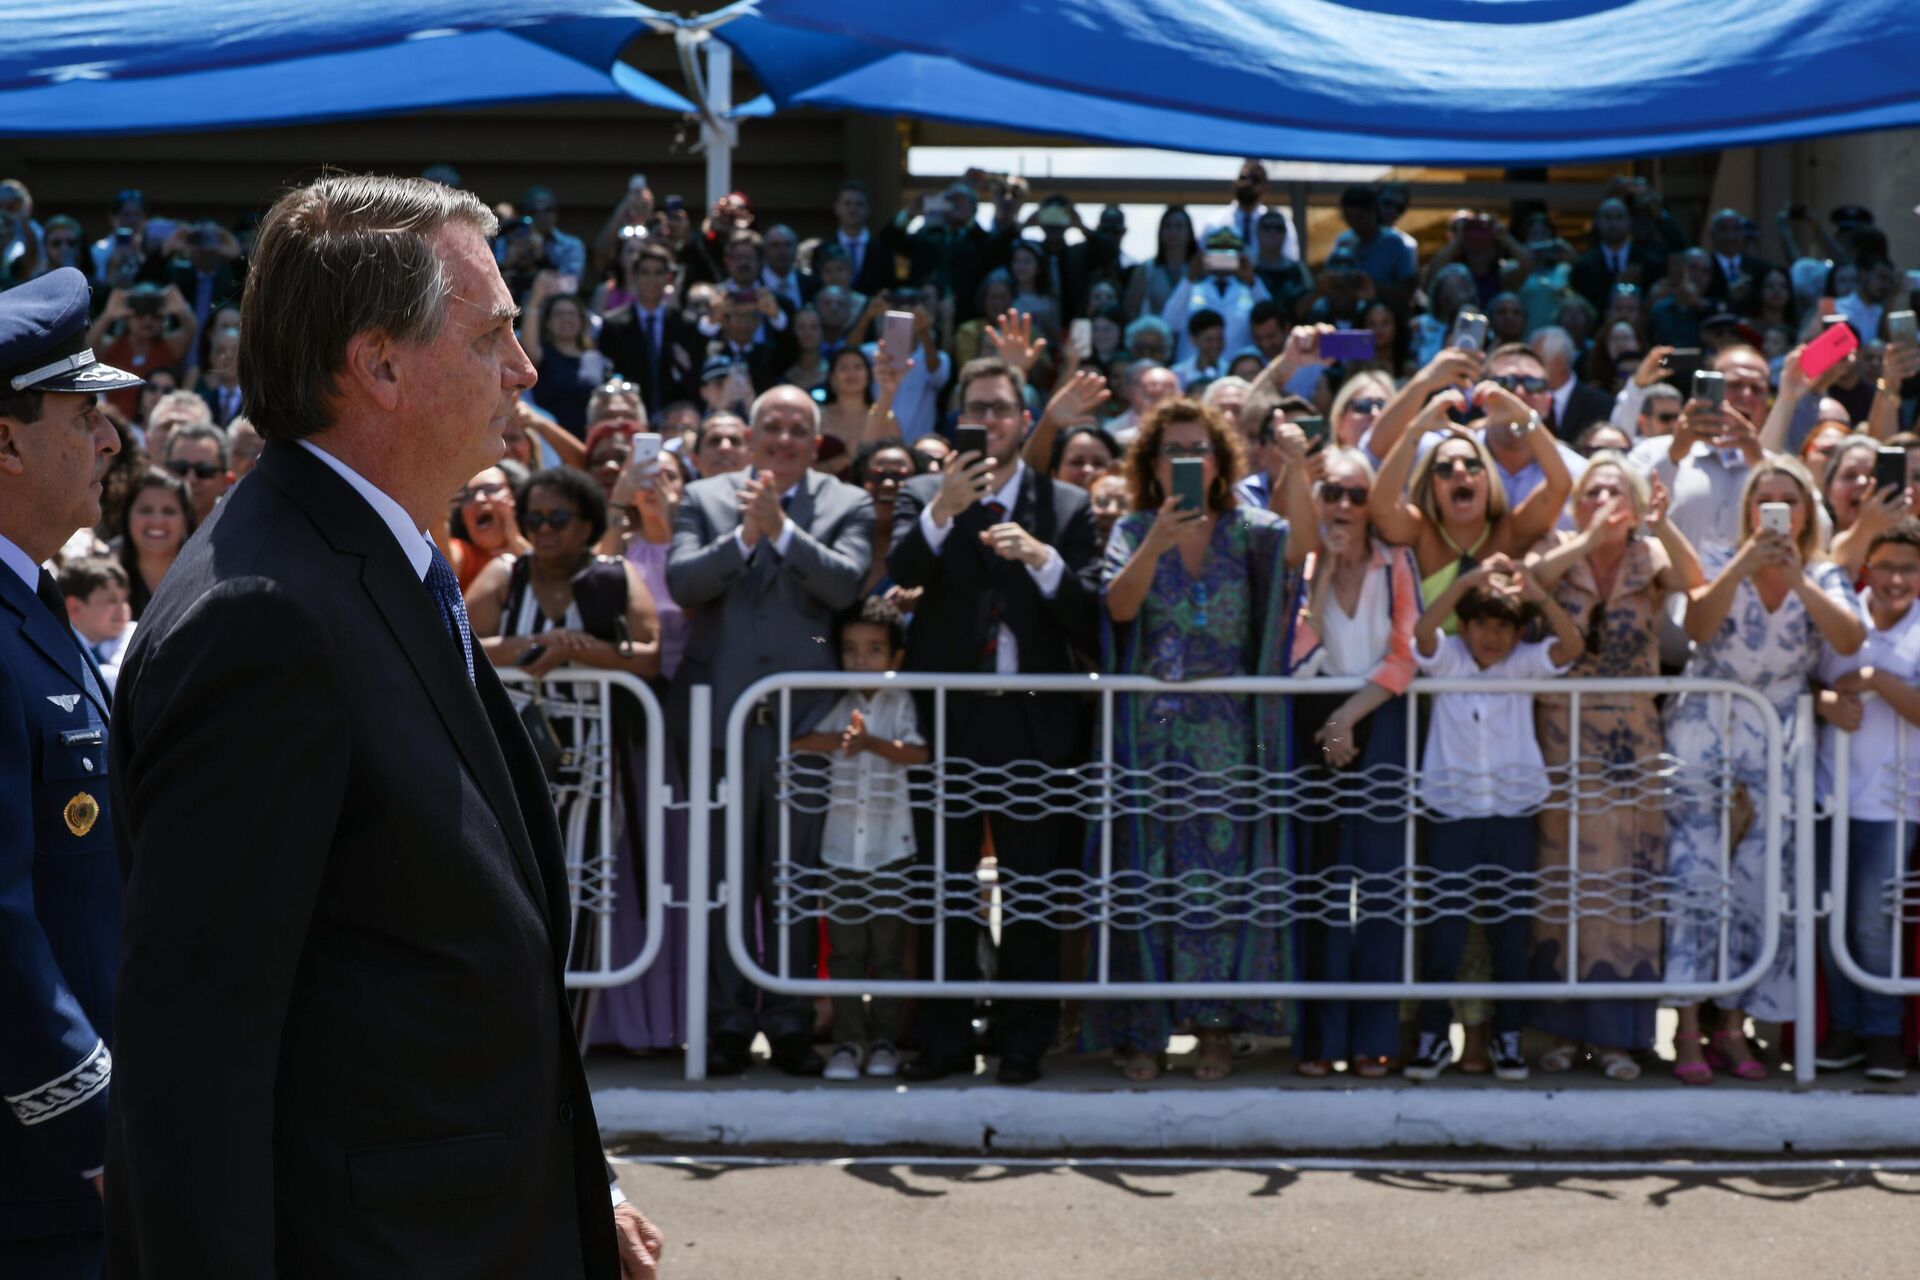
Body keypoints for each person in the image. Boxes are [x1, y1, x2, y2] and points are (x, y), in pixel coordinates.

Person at [108, 176, 659, 1277]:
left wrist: (570, 1185)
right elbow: (194, 1066)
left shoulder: (383, 560)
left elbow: (418, 974)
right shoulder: (261, 617)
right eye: (495, 331)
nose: (526, 368)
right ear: (380, 364)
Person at [887, 357, 1101, 1084]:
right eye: (977, 410)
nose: (993, 421)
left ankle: (1022, 1043)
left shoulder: (1065, 505)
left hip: (1035, 725)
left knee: (1032, 890)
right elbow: (900, 573)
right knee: (943, 884)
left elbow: (1088, 618)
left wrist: (1043, 561)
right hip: (948, 721)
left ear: (1025, 418)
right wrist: (943, 509)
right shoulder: (925, 492)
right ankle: (945, 1040)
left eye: (1004, 409)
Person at [1091, 397, 1311, 1083]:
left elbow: (1301, 550)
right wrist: (1155, 544)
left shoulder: (1250, 531)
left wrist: (1297, 469)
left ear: (1219, 462)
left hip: (1228, 738)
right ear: (1150, 465)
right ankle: (1144, 1032)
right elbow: (1119, 609)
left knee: (1219, 883)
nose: (1185, 462)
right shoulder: (1131, 529)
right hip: (1152, 740)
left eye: (1198, 450)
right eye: (1171, 451)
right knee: (1147, 880)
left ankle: (1217, 1029)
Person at [666, 384, 874, 1077]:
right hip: (720, 726)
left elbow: (846, 585)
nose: (783, 439)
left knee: (793, 880)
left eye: (797, 430)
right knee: (724, 881)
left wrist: (781, 532)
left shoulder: (847, 503)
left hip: (802, 729)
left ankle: (788, 1024)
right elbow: (685, 582)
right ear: (751, 437)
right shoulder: (704, 497)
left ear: (815, 443)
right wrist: (745, 535)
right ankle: (726, 1026)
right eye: (772, 427)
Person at [0, 267, 140, 1280]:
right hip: (36, 1169)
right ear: (5, 439)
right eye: (84, 409)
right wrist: (90, 1120)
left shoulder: (33, 604)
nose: (111, 436)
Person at [1663, 458, 1865, 1084]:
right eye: (1764, 499)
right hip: (1705, 730)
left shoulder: (1825, 570)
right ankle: (1689, 1031)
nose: (1776, 509)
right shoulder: (1721, 553)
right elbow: (1696, 627)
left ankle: (1734, 1028)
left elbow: (1850, 639)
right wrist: (1743, 567)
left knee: (1761, 886)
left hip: (1777, 740)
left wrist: (1798, 580)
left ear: (1806, 513)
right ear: (1749, 509)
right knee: (1696, 879)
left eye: (1789, 500)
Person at [1522, 455, 1704, 1079]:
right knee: (1564, 879)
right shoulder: (1558, 549)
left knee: (1627, 884)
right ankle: (1560, 1034)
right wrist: (1586, 538)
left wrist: (1660, 523)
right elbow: (1527, 582)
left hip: (1631, 735)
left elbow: (1693, 579)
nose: (1605, 498)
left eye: (1615, 489)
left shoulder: (1646, 556)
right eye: (1593, 489)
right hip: (1563, 735)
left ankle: (1621, 1037)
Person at [1406, 558, 1585, 1082]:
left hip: (1511, 814)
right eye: (1481, 623)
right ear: (1464, 625)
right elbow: (1421, 633)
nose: (1491, 635)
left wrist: (1539, 596)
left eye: (1503, 625)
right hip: (1452, 814)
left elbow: (1570, 647)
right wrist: (1464, 583)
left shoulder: (1524, 661)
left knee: (1510, 933)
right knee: (1444, 933)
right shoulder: (1450, 658)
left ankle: (1508, 1038)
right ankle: (1434, 1036)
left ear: (1517, 631)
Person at [1288, 448, 1421, 1078]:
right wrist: (1321, 578)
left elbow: (1404, 653)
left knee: (1380, 888)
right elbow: (1295, 654)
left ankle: (1374, 1037)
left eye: (1354, 495)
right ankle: (1319, 1040)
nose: (1342, 506)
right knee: (1316, 885)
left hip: (1381, 718)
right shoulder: (1303, 565)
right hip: (1311, 720)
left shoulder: (1398, 563)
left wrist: (1350, 716)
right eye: (1330, 493)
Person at [788, 598, 930, 1082]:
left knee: (888, 952)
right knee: (845, 952)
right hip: (841, 846)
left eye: (873, 651)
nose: (860, 661)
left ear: (896, 659)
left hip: (892, 846)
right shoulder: (840, 700)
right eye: (850, 650)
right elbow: (806, 739)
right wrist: (842, 741)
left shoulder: (903, 700)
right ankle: (849, 1041)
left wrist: (869, 743)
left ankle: (885, 1039)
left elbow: (918, 752)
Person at [1813, 519, 1920, 1081]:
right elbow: (1805, 683)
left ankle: (1883, 1035)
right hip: (1829, 797)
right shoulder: (1841, 614)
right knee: (1831, 921)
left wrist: (1875, 676)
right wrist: (1827, 700)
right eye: (1886, 566)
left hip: (1895, 804)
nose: (1896, 578)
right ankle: (1846, 1030)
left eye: (1908, 568)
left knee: (1873, 923)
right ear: (1866, 569)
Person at [112, 466, 195, 621]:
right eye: (145, 510)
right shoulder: (104, 573)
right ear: (127, 516)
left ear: (186, 520)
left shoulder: (203, 578)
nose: (157, 521)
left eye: (169, 511)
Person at [59, 557, 136, 695]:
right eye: (111, 601)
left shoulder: (133, 634)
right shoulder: (61, 642)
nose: (122, 608)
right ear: (74, 608)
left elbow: (122, 679)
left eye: (125, 599)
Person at [163, 420, 230, 521]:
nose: (191, 479)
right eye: (181, 469)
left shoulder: (241, 527)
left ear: (224, 481)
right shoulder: (146, 527)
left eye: (203, 471)